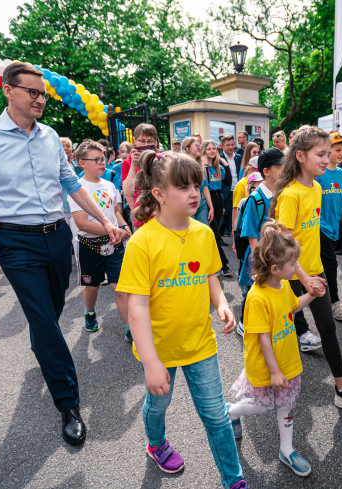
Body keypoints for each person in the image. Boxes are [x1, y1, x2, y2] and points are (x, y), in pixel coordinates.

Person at [0, 61, 123, 446]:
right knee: (45, 321)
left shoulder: (50, 136)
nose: (40, 100)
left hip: (55, 240)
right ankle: (68, 404)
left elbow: (72, 184)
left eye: (44, 94)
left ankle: (44, 348)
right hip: (15, 242)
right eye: (32, 92)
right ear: (8, 91)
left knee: (49, 313)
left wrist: (106, 219)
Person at [116, 151, 247, 489]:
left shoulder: (203, 233)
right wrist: (150, 363)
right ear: (158, 194)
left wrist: (221, 305)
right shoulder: (142, 242)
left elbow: (208, 277)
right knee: (158, 405)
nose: (193, 193)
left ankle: (234, 481)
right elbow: (137, 309)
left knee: (216, 417)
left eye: (196, 185)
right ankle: (156, 444)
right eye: (183, 186)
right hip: (158, 350)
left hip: (201, 344)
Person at [272, 125, 342, 414]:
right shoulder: (291, 195)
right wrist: (303, 276)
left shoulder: (316, 187)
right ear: (300, 156)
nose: (327, 159)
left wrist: (317, 273)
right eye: (321, 154)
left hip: (312, 272)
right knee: (279, 329)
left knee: (328, 329)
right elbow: (283, 243)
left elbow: (311, 235)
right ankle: (261, 387)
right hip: (288, 276)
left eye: (328, 153)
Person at [227, 220, 323, 477]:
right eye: (293, 264)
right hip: (268, 366)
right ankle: (231, 412)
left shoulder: (283, 285)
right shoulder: (258, 297)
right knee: (261, 406)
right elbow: (263, 338)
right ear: (275, 268)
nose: (296, 268)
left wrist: (312, 294)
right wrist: (274, 371)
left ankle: (287, 449)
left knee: (287, 405)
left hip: (289, 360)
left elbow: (293, 307)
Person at [69, 140, 132, 336]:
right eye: (96, 159)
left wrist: (124, 227)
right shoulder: (77, 188)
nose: (102, 163)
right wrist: (114, 230)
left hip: (114, 243)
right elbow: (82, 224)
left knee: (120, 288)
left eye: (103, 158)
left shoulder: (110, 185)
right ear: (82, 163)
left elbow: (116, 213)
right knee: (91, 286)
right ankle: (89, 312)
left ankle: (130, 327)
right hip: (89, 245)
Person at [236, 150, 285, 334]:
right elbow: (250, 233)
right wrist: (258, 259)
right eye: (279, 167)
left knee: (269, 288)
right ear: (266, 171)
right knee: (252, 290)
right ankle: (243, 323)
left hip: (275, 252)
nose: (284, 170)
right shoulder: (255, 199)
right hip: (258, 254)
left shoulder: (281, 194)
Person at [317, 132, 342, 321]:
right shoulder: (318, 174)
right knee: (331, 264)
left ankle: (315, 297)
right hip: (320, 228)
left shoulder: (341, 172)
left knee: (323, 265)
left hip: (334, 228)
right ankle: (335, 304)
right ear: (326, 151)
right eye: (337, 150)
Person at [201, 140, 233, 277]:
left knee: (214, 232)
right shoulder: (203, 167)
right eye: (209, 149)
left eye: (214, 148)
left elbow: (228, 182)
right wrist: (204, 165)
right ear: (203, 152)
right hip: (208, 199)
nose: (212, 151)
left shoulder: (218, 167)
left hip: (218, 198)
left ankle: (212, 263)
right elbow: (204, 186)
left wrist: (224, 163)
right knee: (214, 232)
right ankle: (223, 264)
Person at [122, 124, 160, 230]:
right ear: (135, 141)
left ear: (156, 142)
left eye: (150, 141)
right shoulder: (128, 163)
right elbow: (128, 192)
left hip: (163, 214)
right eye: (142, 141)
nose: (146, 144)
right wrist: (134, 165)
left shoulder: (163, 158)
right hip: (142, 217)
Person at [183, 137, 213, 226]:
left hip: (201, 201)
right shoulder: (182, 165)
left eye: (200, 146)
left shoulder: (201, 165)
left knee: (205, 229)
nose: (200, 148)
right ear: (187, 148)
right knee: (191, 228)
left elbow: (205, 188)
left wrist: (211, 207)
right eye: (196, 146)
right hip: (188, 200)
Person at [220, 133, 242, 236]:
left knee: (238, 213)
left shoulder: (239, 157)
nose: (230, 147)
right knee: (229, 213)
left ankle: (234, 233)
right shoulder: (219, 159)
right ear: (223, 146)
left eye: (232, 144)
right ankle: (230, 233)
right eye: (228, 145)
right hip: (227, 191)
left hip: (239, 190)